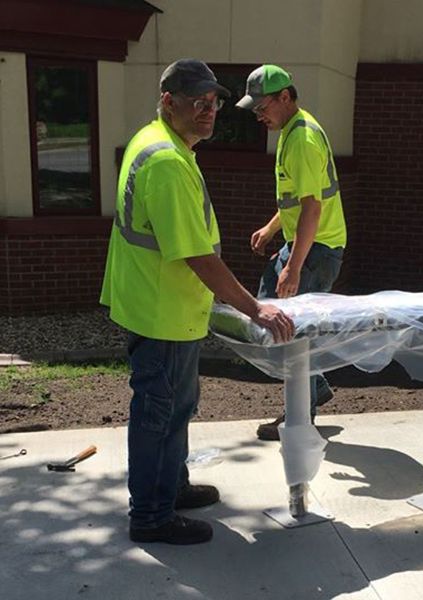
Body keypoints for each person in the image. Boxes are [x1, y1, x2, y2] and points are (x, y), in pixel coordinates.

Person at [100, 59, 294, 545]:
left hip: (163, 306)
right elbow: (196, 256)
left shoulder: (157, 141)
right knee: (159, 413)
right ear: (169, 102)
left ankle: (172, 487)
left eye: (214, 104)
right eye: (197, 104)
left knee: (176, 408)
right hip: (161, 312)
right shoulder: (166, 160)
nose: (209, 112)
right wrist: (256, 308)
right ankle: (150, 515)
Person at [236, 64, 347, 441]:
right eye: (254, 110)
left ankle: (301, 417)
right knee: (278, 318)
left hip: (316, 250)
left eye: (262, 106)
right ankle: (313, 390)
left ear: (285, 97)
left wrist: (294, 267)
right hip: (309, 245)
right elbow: (297, 203)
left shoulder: (301, 140)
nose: (259, 115)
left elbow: (312, 209)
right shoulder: (292, 130)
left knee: (287, 328)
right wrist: (271, 229)